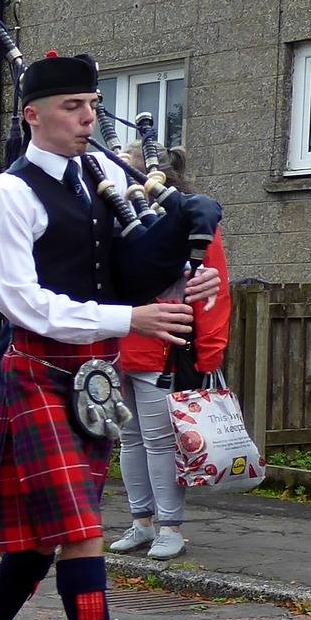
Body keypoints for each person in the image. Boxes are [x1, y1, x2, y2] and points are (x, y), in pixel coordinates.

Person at [0, 53, 219, 620]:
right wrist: (130, 319)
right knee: (77, 531)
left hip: (93, 380)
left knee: (46, 538)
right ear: (31, 116)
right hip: (39, 372)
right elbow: (29, 305)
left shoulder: (102, 177)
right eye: (73, 106)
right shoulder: (5, 199)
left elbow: (126, 273)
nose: (87, 118)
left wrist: (183, 286)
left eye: (93, 105)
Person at [109, 146, 231, 561]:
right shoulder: (115, 217)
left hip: (163, 346)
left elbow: (214, 291)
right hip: (119, 342)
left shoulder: (192, 220)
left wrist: (208, 355)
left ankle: (170, 526)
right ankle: (141, 522)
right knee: (129, 438)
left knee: (160, 442)